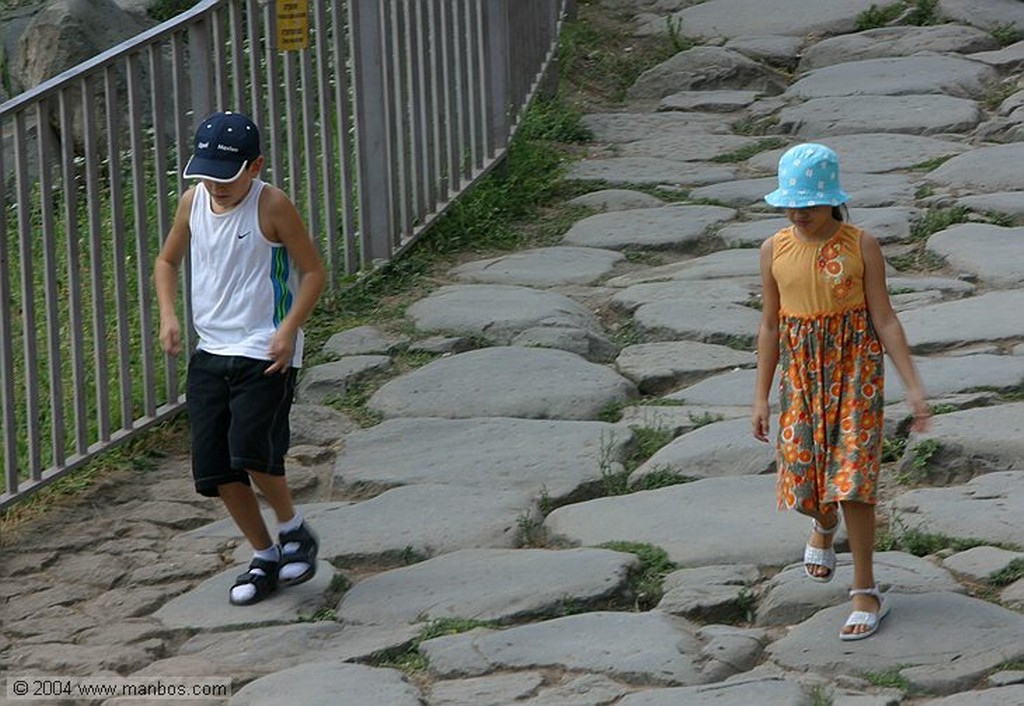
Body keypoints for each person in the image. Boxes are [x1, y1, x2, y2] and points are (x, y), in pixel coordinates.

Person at [751, 142, 930, 640]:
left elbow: (885, 318)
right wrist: (761, 395)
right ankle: (822, 524)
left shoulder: (860, 245)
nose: (798, 212)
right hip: (802, 377)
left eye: (808, 203)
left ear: (832, 199)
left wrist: (913, 388)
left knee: (853, 480)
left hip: (855, 373)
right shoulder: (774, 250)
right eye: (791, 203)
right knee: (804, 484)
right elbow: (770, 326)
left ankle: (865, 590)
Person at [155, 110, 327, 606]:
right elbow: (167, 261)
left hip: (264, 347)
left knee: (251, 450)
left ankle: (294, 529)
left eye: (226, 176)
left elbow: (313, 273)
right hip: (212, 349)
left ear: (255, 167)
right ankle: (265, 554)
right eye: (206, 174)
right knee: (215, 468)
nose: (215, 185)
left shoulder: (271, 205)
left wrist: (288, 330)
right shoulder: (194, 202)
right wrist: (169, 316)